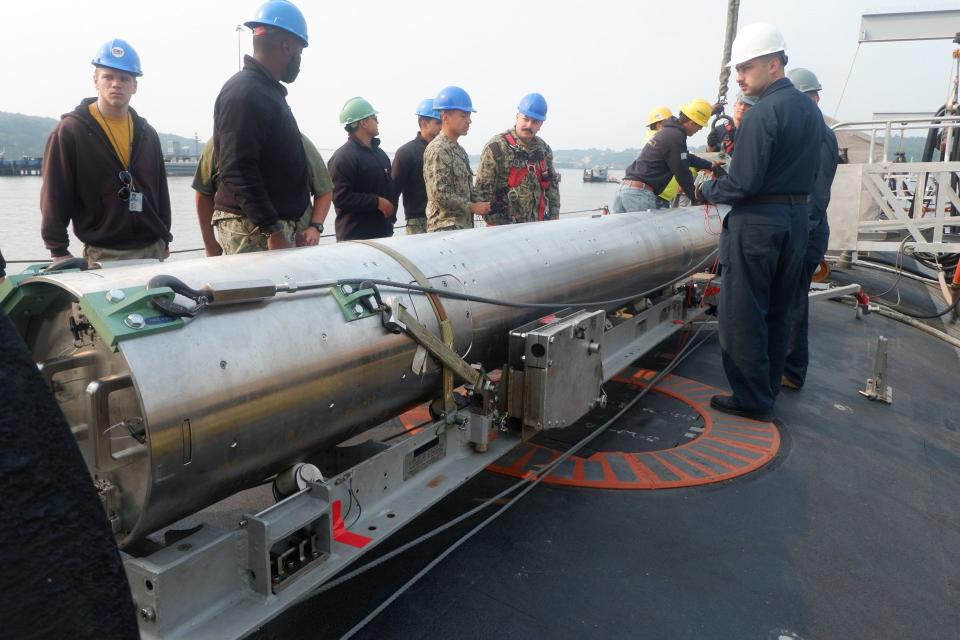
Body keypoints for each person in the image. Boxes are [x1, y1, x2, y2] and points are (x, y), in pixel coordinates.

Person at [697, 23, 823, 421]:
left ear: (773, 65)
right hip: (796, 219)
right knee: (779, 308)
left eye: (745, 68)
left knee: (743, 312)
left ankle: (751, 398)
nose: (739, 77)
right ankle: (767, 389)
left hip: (758, 225)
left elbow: (743, 182)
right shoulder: (809, 111)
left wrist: (706, 191)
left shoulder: (763, 113)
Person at [41, 38, 171, 265]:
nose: (116, 84)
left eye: (124, 78)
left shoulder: (147, 133)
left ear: (135, 86)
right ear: (95, 81)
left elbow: (160, 189)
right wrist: (57, 249)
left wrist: (165, 237)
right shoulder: (71, 131)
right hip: (103, 253)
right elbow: (55, 192)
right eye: (108, 76)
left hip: (153, 249)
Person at [211, 0, 311, 254]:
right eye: (300, 52)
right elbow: (236, 167)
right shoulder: (246, 92)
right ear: (287, 47)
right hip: (252, 230)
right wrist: (272, 229)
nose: (299, 60)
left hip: (266, 227)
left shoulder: (266, 92)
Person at [782, 68, 839, 390]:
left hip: (807, 230)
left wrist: (799, 236)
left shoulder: (817, 136)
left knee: (792, 301)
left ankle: (791, 371)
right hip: (805, 226)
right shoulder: (811, 132)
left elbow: (816, 195)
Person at [192, 134, 332, 255]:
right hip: (238, 248)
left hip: (296, 244)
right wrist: (210, 244)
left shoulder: (298, 141)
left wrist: (315, 227)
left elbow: (324, 189)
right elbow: (204, 192)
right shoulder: (220, 141)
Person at [613, 99, 715, 213]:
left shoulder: (667, 132)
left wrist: (711, 165)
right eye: (700, 126)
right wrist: (696, 200)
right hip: (639, 195)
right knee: (648, 231)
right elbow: (682, 172)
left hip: (624, 190)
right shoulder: (675, 137)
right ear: (692, 123)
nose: (700, 130)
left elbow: (686, 157)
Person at [474, 93, 561, 225]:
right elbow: (483, 191)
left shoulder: (543, 150)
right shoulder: (497, 147)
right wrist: (495, 222)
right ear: (517, 117)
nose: (529, 125)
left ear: (541, 124)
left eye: (535, 122)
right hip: (503, 228)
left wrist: (554, 215)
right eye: (526, 119)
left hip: (537, 225)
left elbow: (552, 185)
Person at [327, 98, 396, 241]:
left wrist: (391, 220)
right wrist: (377, 202)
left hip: (384, 237)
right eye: (374, 118)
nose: (378, 121)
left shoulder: (380, 154)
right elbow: (340, 197)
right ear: (363, 123)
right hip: (356, 240)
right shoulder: (343, 157)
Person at [423, 86, 490, 232]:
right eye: (463, 116)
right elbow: (440, 194)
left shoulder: (459, 151)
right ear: (445, 116)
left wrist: (485, 204)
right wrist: (472, 207)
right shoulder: (438, 149)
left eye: (469, 116)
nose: (469, 121)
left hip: (462, 228)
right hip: (444, 229)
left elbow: (468, 190)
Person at [392, 99, 442, 235]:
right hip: (418, 221)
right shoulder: (406, 152)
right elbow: (394, 189)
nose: (441, 127)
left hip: (444, 220)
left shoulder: (445, 151)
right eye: (438, 123)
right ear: (424, 123)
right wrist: (389, 221)